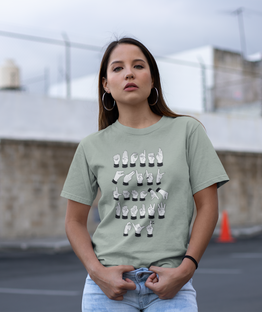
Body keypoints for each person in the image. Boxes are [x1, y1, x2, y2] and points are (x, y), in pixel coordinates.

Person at [61, 37, 229, 311]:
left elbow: (208, 206)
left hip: (171, 284)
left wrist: (187, 269)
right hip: (108, 287)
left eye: (138, 66)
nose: (129, 73)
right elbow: (74, 222)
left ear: (152, 79)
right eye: (118, 68)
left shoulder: (187, 131)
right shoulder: (91, 146)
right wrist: (97, 272)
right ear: (106, 84)